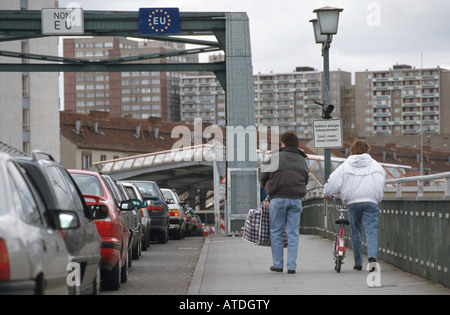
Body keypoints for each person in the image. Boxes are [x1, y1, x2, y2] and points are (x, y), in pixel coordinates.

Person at [323, 139, 386, 272]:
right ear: (367, 150)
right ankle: (372, 259)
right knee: (371, 231)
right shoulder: (376, 166)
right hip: (371, 201)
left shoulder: (345, 165)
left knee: (355, 231)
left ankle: (358, 263)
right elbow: (381, 183)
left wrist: (327, 193)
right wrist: (377, 198)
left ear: (352, 150)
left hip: (353, 202)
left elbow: (333, 183)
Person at [259, 131, 309, 274]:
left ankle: (278, 265)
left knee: (276, 232)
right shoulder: (302, 160)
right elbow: (305, 179)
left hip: (278, 199)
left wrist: (266, 187)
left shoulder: (275, 157)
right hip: (296, 200)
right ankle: (292, 266)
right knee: (293, 233)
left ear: (284, 144)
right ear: (296, 144)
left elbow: (262, 175)